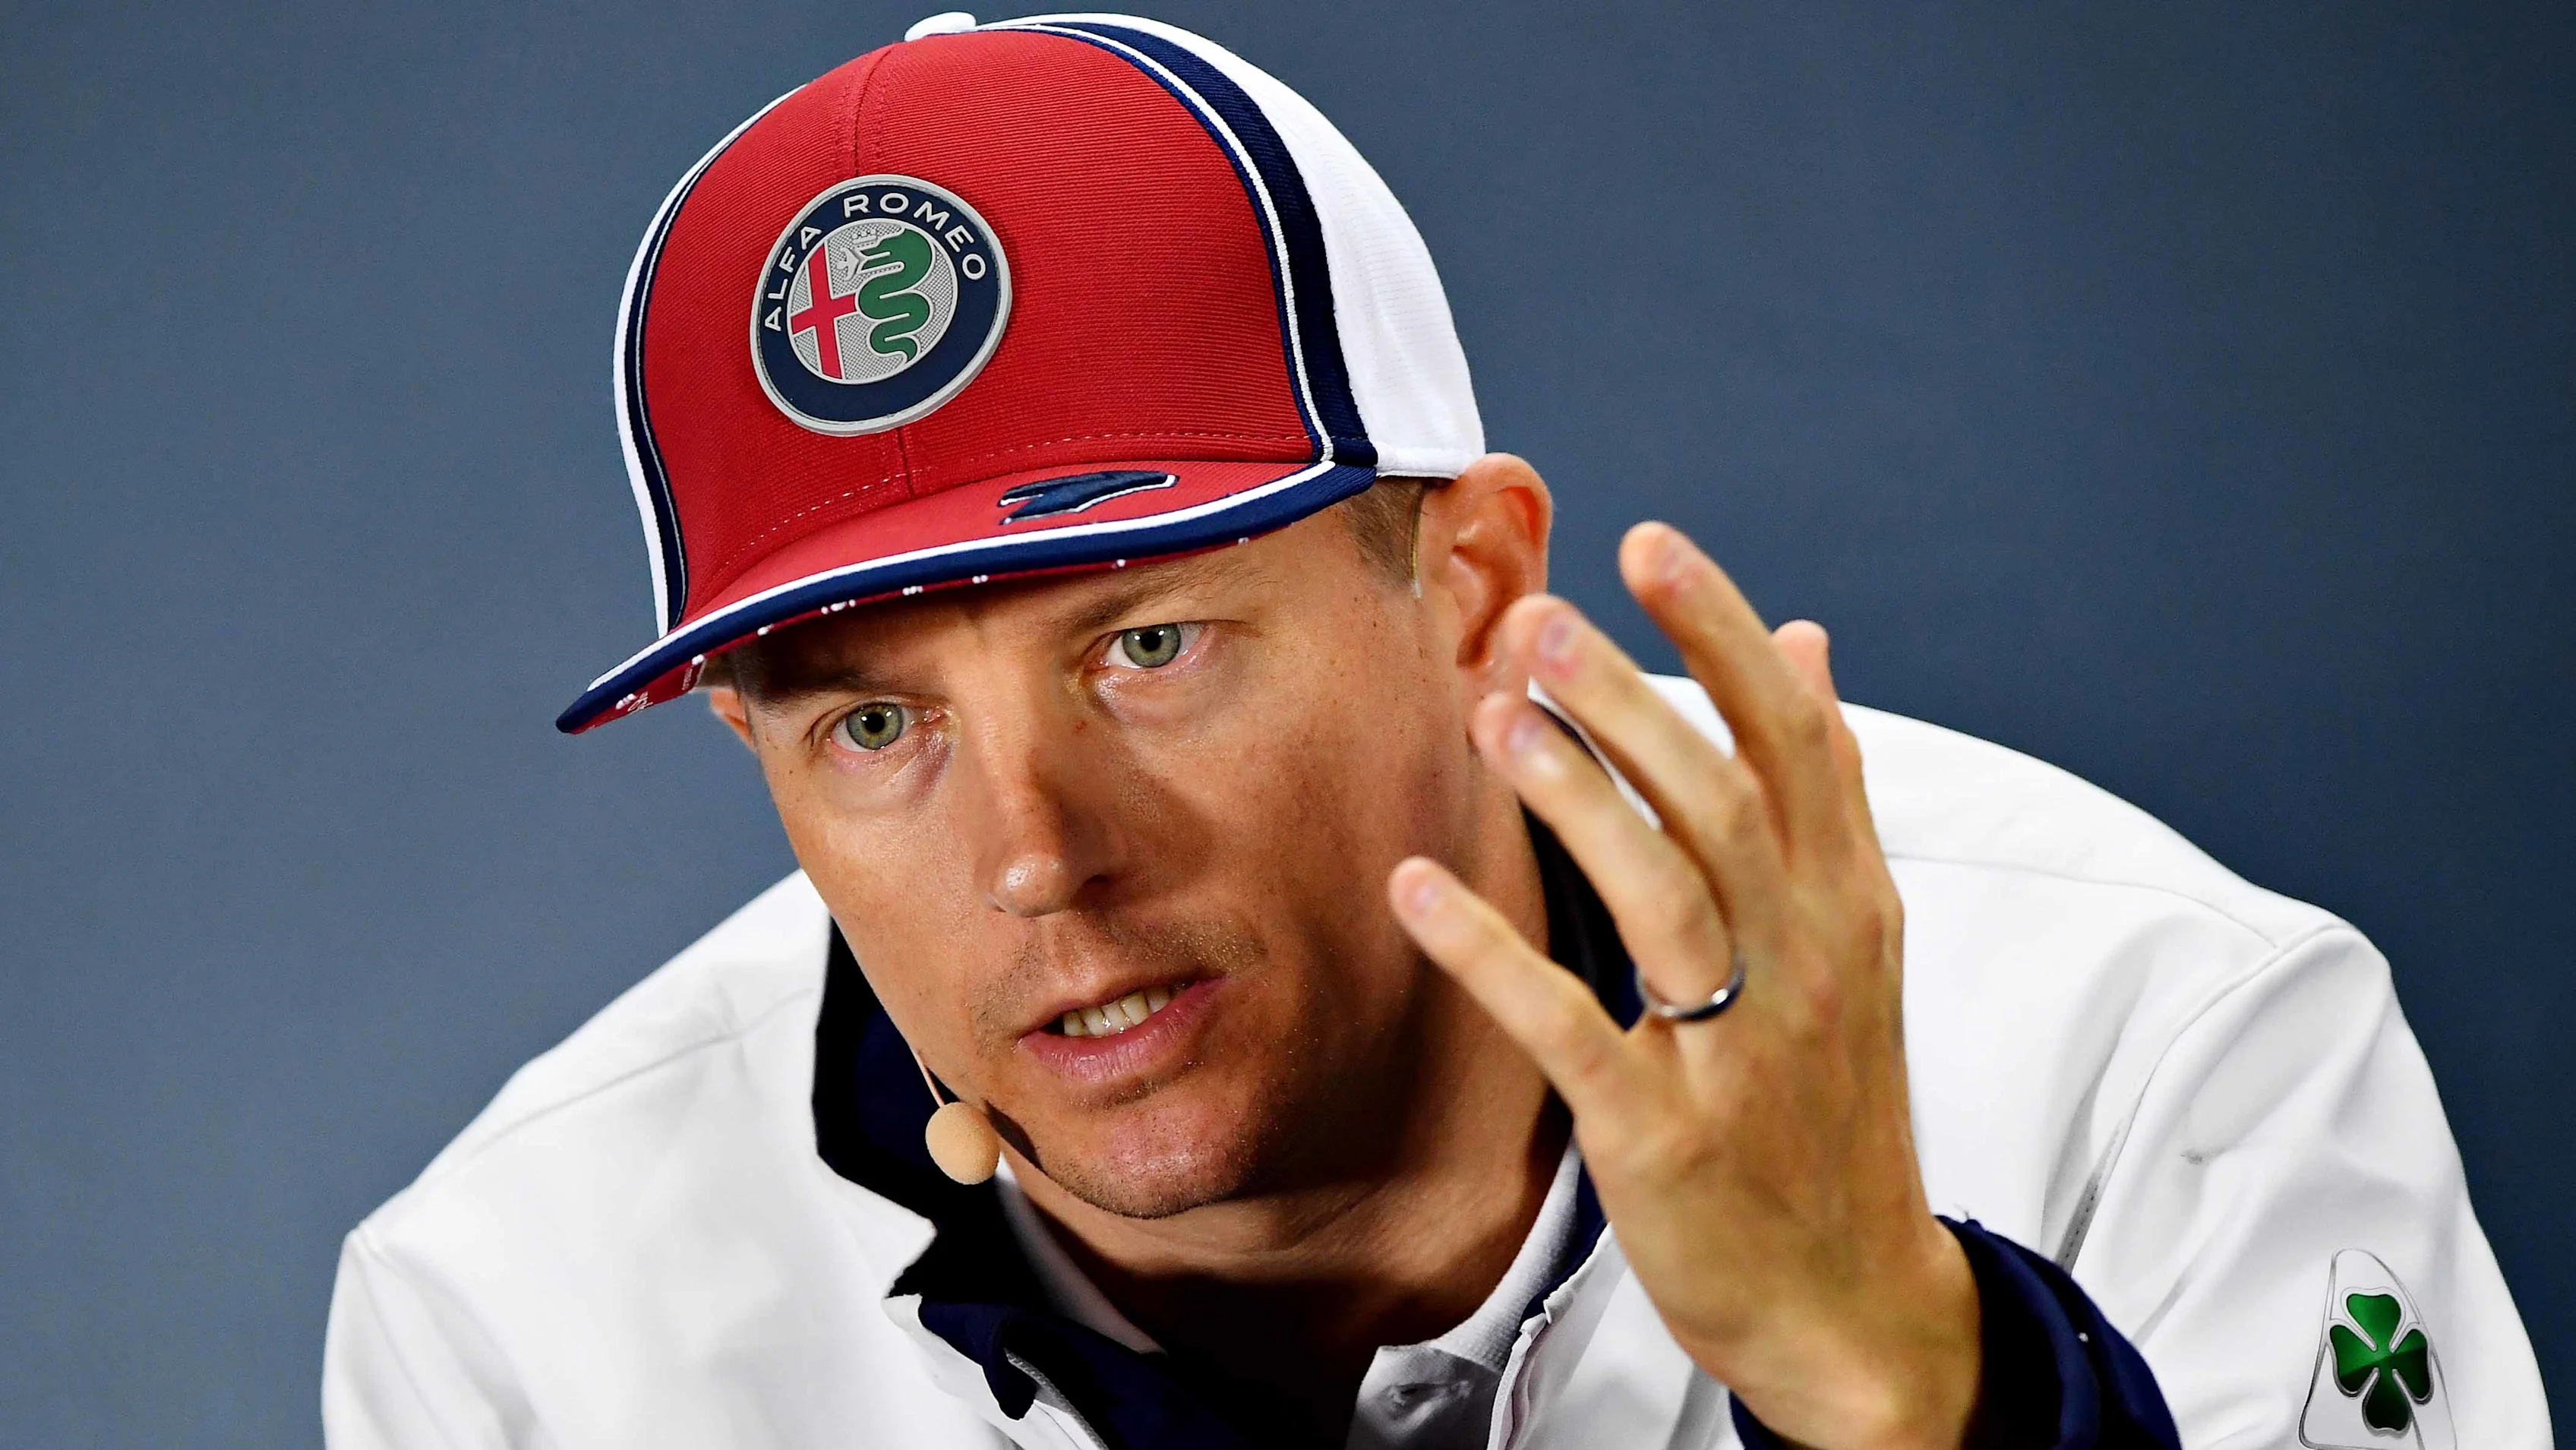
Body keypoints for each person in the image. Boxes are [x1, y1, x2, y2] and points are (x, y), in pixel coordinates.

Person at [321, 14, 2548, 1450]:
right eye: (873, 719)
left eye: (1147, 645)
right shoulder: (531, 1319)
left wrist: (1922, 1391)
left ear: (1470, 585)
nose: (1033, 854)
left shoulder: (2146, 1040)